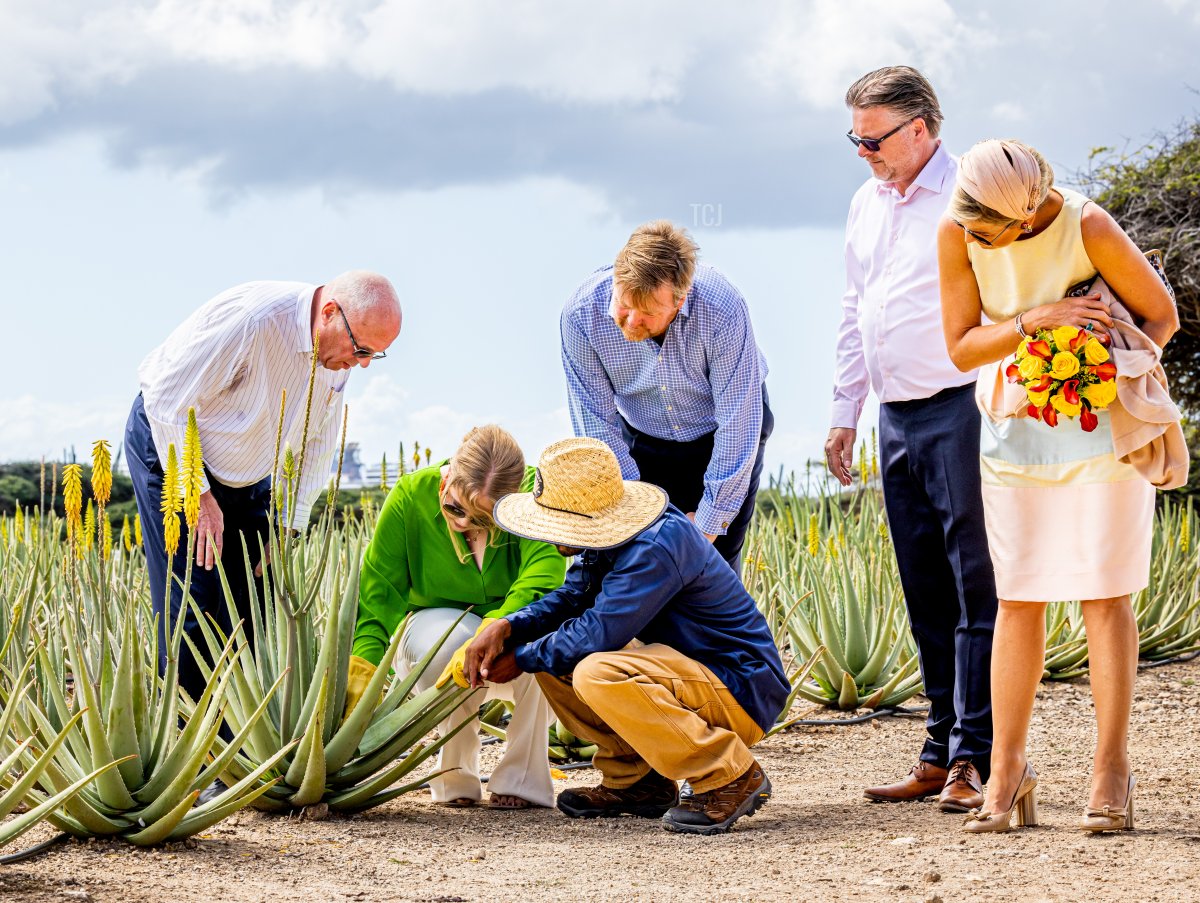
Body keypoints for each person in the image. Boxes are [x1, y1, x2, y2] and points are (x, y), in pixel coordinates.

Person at [938, 138, 1179, 833]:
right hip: (1016, 433)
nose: (972, 237)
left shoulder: (1088, 224)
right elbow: (960, 346)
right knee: (1017, 594)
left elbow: (1160, 318)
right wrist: (1032, 324)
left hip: (1104, 432)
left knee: (1105, 591)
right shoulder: (957, 231)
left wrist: (1099, 360)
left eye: (987, 231)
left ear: (1020, 217)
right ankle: (1008, 769)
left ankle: (1111, 770)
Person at [459, 437, 789, 836]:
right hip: (689, 675)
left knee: (595, 670)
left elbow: (599, 631)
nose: (549, 535)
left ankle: (727, 773)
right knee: (557, 661)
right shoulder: (609, 538)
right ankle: (635, 781)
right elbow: (573, 597)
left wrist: (522, 657)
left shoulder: (657, 545)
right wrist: (509, 626)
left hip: (738, 688)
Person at [827, 66, 998, 812]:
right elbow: (853, 304)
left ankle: (974, 757)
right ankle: (936, 747)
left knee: (974, 588)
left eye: (872, 138)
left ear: (920, 129)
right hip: (894, 415)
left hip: (963, 405)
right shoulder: (866, 201)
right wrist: (845, 408)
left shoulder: (973, 195)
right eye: (854, 138)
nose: (862, 151)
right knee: (923, 585)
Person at [127, 272, 402, 707]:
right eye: (361, 349)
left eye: (375, 354)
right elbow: (166, 402)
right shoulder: (252, 321)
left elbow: (317, 442)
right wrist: (198, 497)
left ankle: (244, 736)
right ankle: (188, 747)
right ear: (329, 313)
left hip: (251, 470)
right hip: (174, 451)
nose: (363, 363)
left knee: (258, 598)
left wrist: (286, 527)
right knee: (194, 602)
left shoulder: (335, 354)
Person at [345, 425, 567, 809]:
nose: (464, 523)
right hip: (434, 623)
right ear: (447, 478)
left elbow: (543, 575)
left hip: (513, 620)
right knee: (447, 642)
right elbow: (379, 594)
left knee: (543, 645)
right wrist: (362, 668)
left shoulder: (535, 497)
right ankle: (454, 777)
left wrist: (495, 627)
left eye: (484, 519)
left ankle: (522, 779)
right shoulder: (410, 496)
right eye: (454, 508)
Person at [560, 220, 772, 575]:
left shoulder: (722, 308)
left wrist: (703, 528)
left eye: (648, 313)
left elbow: (738, 424)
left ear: (680, 299)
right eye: (624, 305)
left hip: (723, 436)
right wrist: (635, 516)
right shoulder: (581, 315)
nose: (630, 321)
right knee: (643, 565)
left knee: (710, 572)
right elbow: (596, 424)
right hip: (645, 438)